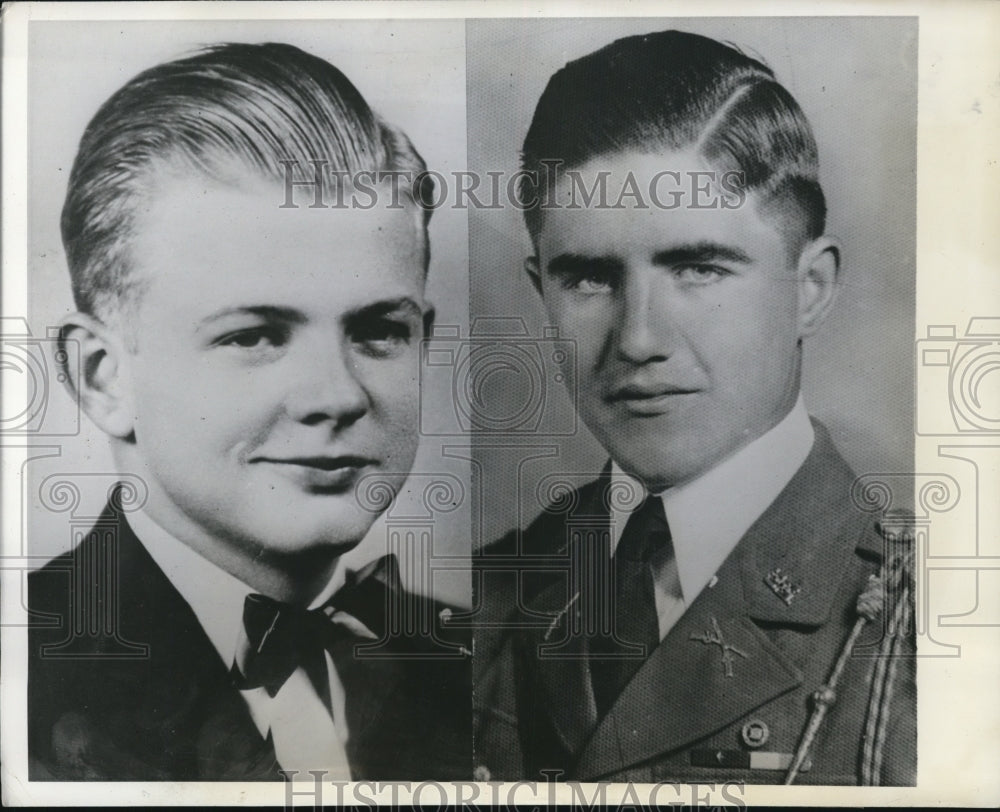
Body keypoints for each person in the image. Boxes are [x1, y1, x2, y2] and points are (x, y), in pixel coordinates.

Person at [473, 29, 916, 785]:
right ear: (541, 289)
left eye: (698, 268)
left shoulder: (926, 620)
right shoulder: (478, 598)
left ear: (809, 289)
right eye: (588, 279)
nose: (638, 339)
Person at [29, 42, 470, 781]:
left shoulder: (480, 661)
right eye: (254, 336)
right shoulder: (22, 672)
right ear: (103, 377)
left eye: (377, 331)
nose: (336, 395)